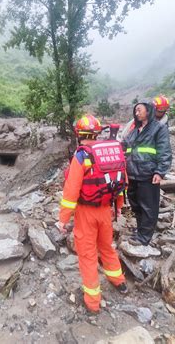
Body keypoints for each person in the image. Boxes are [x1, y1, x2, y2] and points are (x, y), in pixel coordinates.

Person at [57, 115, 128, 314]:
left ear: (78, 134)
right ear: (97, 133)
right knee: (107, 247)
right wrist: (119, 206)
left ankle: (93, 302)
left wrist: (63, 219)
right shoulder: (111, 152)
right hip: (106, 209)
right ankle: (119, 281)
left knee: (88, 255)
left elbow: (71, 191)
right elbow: (122, 180)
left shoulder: (81, 155)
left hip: (86, 212)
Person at [123, 101, 172, 246]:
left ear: (148, 111)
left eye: (139, 110)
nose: (136, 113)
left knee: (148, 206)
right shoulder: (134, 130)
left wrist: (160, 171)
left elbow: (165, 151)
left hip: (148, 174)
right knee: (135, 204)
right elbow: (124, 146)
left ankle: (144, 237)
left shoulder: (159, 129)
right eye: (135, 111)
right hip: (132, 173)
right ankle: (141, 230)